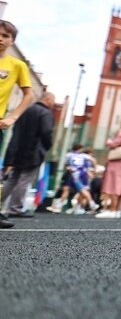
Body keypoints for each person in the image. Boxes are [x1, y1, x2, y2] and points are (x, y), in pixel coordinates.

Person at [1, 91, 55, 220]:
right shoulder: (45, 113)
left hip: (18, 150)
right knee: (24, 179)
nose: (53, 103)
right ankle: (15, 208)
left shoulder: (26, 110)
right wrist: (47, 146)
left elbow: (16, 130)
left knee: (13, 179)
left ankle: (4, 203)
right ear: (47, 99)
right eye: (52, 100)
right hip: (33, 151)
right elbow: (46, 132)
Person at [0, 20, 35, 153]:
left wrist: (13, 117)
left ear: (12, 41)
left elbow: (29, 95)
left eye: (5, 36)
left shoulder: (18, 66)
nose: (0, 39)